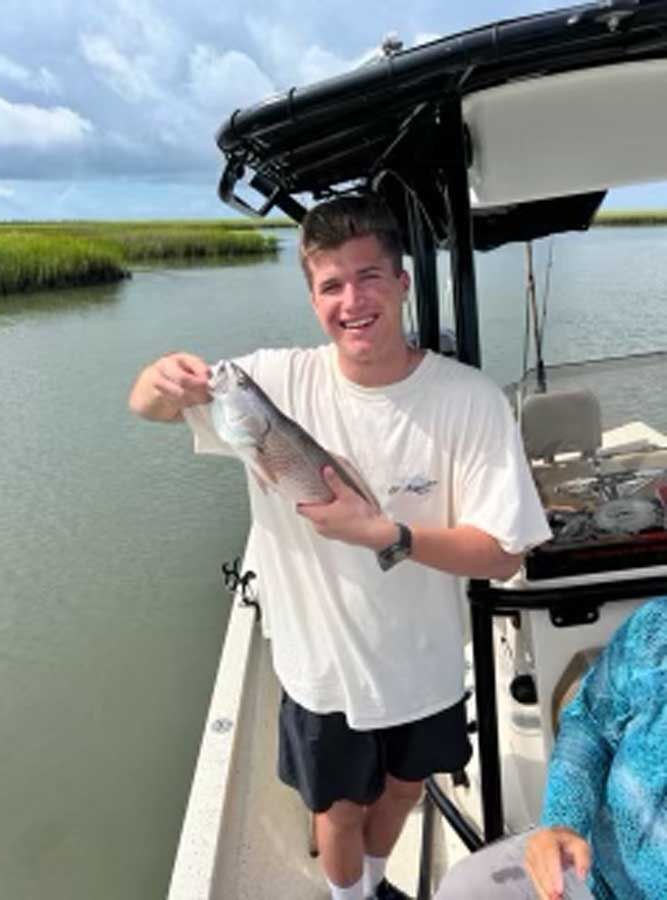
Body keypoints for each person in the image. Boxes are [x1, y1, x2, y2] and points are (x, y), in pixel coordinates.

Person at [128, 194, 551, 900]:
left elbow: (503, 554)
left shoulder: (469, 399)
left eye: (368, 277)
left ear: (402, 282)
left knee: (403, 791)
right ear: (311, 296)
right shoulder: (268, 383)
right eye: (330, 285)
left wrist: (387, 534)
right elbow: (147, 405)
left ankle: (375, 883)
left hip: (425, 664)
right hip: (320, 670)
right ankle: (349, 896)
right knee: (338, 810)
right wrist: (160, 381)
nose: (351, 301)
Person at [433, 596, 667, 900]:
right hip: (592, 871)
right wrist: (562, 824)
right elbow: (591, 724)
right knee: (467, 888)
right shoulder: (656, 626)